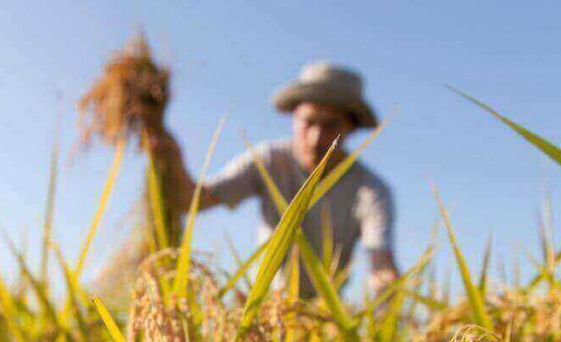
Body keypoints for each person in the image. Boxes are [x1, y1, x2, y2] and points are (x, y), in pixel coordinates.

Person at [150, 61, 398, 298]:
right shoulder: (269, 160)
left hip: (325, 314)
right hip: (268, 302)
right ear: (293, 118)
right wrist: (170, 157)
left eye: (331, 125)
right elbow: (194, 201)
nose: (315, 137)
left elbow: (380, 263)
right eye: (308, 121)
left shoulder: (371, 190)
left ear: (351, 128)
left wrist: (389, 303)